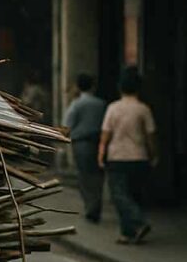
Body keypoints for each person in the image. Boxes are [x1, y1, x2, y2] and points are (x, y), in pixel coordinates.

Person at [99, 66, 156, 244]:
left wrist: (101, 153)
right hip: (139, 157)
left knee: (119, 196)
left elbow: (105, 135)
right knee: (135, 195)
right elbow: (150, 136)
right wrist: (153, 154)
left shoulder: (113, 108)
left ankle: (138, 222)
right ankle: (128, 233)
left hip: (117, 157)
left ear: (120, 88)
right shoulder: (143, 109)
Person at [63, 73, 107, 223]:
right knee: (98, 175)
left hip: (81, 143)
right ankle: (96, 205)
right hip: (99, 142)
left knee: (84, 176)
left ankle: (90, 207)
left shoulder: (76, 104)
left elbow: (67, 124)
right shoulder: (101, 104)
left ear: (78, 86)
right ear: (92, 86)